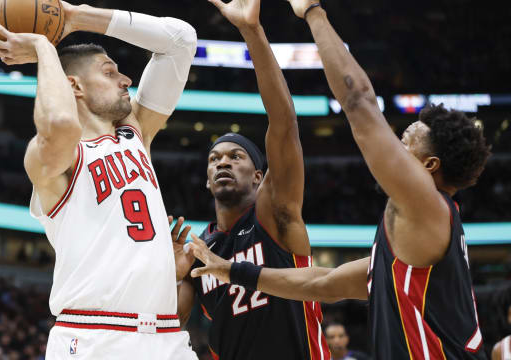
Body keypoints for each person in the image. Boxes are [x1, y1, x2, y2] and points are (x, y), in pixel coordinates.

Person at [187, 1, 491, 359]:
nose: (393, 144)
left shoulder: (428, 206)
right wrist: (234, 271)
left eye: (406, 139)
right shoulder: (403, 252)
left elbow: (359, 101)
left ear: (429, 165)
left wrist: (313, 11)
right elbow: (323, 283)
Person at [0, 2, 198, 359]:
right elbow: (62, 125)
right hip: (94, 338)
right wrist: (43, 47)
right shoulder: (52, 158)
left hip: (167, 335)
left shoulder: (136, 133)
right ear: (74, 87)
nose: (126, 79)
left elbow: (180, 40)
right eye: (110, 72)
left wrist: (75, 17)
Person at [172, 0, 330, 358]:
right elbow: (173, 322)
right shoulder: (201, 248)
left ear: (260, 177)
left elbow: (285, 124)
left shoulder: (275, 213)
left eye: (235, 156)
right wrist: (173, 275)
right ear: (207, 180)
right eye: (214, 159)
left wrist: (251, 31)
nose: (222, 163)